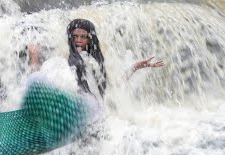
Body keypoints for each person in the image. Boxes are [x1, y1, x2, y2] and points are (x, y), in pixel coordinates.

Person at [29, 18, 164, 99]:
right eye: (75, 37)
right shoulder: (65, 59)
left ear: (90, 39)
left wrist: (136, 66)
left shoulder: (92, 61)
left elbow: (112, 87)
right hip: (75, 108)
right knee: (43, 74)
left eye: (83, 37)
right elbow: (42, 82)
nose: (78, 40)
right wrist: (34, 56)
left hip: (90, 114)